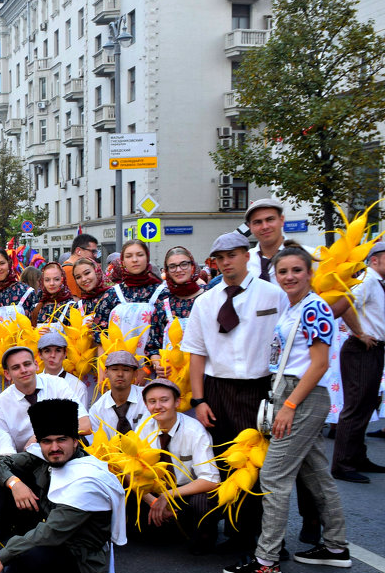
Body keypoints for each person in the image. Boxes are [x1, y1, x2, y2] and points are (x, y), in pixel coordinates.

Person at [224, 248, 353, 573]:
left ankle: (266, 560)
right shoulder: (295, 307)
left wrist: (290, 406)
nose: (290, 276)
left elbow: (320, 363)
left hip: (302, 395)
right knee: (315, 474)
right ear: (276, 275)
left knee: (274, 477)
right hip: (294, 392)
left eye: (297, 270)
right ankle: (336, 546)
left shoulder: (314, 308)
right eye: (283, 271)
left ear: (309, 272)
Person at [0, 399, 126, 573]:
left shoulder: (88, 479)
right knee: (7, 485)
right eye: (47, 441)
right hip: (48, 531)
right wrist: (15, 484)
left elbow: (51, 532)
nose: (54, 447)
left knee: (31, 559)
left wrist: (2, 556)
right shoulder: (42, 455)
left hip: (77, 557)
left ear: (75, 441)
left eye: (61, 440)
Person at [180, 232, 290, 554]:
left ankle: (262, 536)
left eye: (233, 255)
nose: (227, 262)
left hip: (260, 387)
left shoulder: (273, 295)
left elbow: (286, 341)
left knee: (261, 466)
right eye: (220, 258)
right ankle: (234, 531)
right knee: (225, 461)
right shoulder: (206, 301)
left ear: (246, 256)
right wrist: (199, 400)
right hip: (218, 389)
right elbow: (196, 354)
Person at [133, 379, 220, 551]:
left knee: (203, 503)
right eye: (152, 401)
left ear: (177, 402)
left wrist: (168, 495)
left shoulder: (194, 431)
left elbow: (211, 480)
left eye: (164, 400)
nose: (158, 406)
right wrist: (152, 501)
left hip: (187, 491)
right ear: (146, 405)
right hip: (155, 490)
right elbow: (131, 473)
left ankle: (204, 535)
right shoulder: (143, 428)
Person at [330, 241, 385, 482]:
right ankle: (342, 464)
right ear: (375, 260)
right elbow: (345, 303)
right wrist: (359, 333)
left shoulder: (376, 282)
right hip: (362, 348)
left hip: (372, 348)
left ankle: (357, 457)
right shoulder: (368, 279)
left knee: (366, 404)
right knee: (355, 407)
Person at [0, 346, 90, 449]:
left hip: (64, 451)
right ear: (7, 374)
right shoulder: (0, 404)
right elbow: (3, 447)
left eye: (27, 364)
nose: (23, 370)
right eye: (16, 367)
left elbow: (85, 425)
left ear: (36, 365)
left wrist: (37, 436)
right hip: (28, 459)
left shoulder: (57, 384)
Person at [91, 240, 168, 358]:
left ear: (147, 258)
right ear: (122, 261)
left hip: (154, 368)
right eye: (129, 256)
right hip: (116, 369)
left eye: (140, 255)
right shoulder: (112, 295)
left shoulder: (162, 294)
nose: (135, 260)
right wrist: (102, 372)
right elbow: (101, 338)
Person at [147, 247, 206, 376]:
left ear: (192, 266)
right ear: (166, 271)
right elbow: (153, 345)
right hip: (172, 377)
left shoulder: (208, 297)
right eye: (172, 266)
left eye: (184, 264)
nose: (178, 270)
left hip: (205, 374)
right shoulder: (163, 302)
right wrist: (157, 364)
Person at [88, 351, 148, 441]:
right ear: (106, 373)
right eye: (115, 369)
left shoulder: (147, 398)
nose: (120, 374)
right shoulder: (97, 410)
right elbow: (95, 444)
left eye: (126, 370)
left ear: (135, 374)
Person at [36, 333, 89, 405]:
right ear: (40, 354)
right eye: (47, 351)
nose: (52, 355)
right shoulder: (33, 384)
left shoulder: (77, 386)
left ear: (65, 354)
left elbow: (81, 416)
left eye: (58, 350)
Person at [62, 233, 100, 298]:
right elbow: (76, 302)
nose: (95, 255)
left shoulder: (67, 268)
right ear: (78, 251)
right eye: (93, 251)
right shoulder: (69, 270)